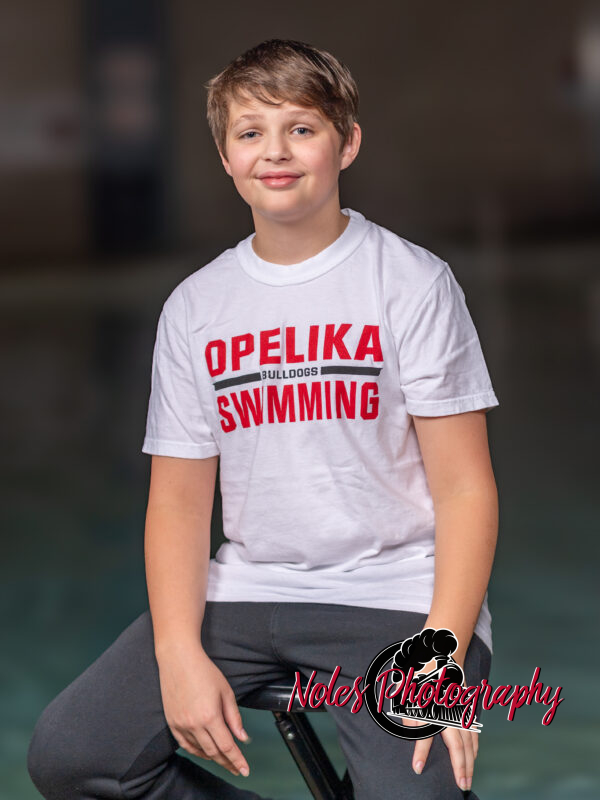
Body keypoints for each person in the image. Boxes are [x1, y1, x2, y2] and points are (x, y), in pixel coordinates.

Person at [27, 39, 500, 800]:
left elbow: (466, 489)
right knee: (74, 756)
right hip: (246, 594)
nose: (275, 152)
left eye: (301, 129)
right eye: (251, 132)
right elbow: (179, 505)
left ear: (347, 143)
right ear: (226, 156)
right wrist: (179, 651)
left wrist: (439, 649)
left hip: (397, 599)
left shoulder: (411, 283)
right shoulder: (196, 307)